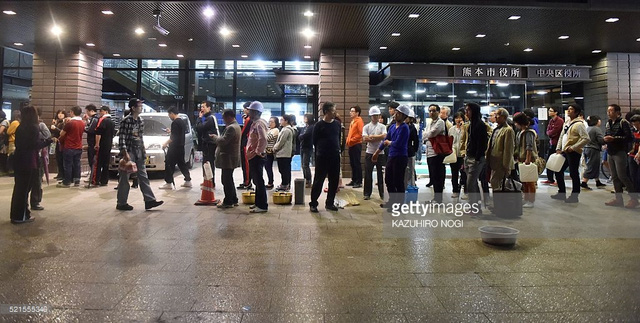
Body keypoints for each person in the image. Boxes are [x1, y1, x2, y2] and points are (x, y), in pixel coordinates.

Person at [116, 98, 163, 211]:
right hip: (129, 150)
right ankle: (121, 202)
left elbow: (140, 137)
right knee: (124, 177)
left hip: (138, 151)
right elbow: (121, 138)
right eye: (139, 106)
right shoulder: (126, 121)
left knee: (143, 175)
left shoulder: (140, 121)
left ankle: (149, 200)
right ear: (133, 108)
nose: (141, 107)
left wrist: (143, 150)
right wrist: (125, 153)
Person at [10, 106, 52, 224]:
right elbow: (34, 145)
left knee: (18, 188)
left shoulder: (20, 127)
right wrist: (48, 142)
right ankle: (21, 216)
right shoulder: (33, 128)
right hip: (29, 161)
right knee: (24, 190)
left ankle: (16, 215)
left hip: (18, 160)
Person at [373, 105, 410, 210]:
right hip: (391, 156)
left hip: (400, 157)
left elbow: (398, 143)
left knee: (398, 181)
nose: (395, 114)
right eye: (395, 112)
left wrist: (389, 142)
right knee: (388, 179)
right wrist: (377, 152)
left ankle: (399, 204)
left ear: (403, 116)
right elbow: (385, 141)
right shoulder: (393, 127)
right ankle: (392, 201)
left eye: (398, 113)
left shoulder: (404, 128)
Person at [551, 104, 589, 203]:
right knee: (558, 170)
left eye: (571, 109)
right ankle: (561, 192)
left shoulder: (579, 124)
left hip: (573, 152)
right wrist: (558, 147)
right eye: (568, 109)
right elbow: (561, 136)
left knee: (573, 173)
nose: (568, 111)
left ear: (576, 112)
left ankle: (574, 195)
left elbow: (586, 138)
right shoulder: (567, 122)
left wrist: (573, 147)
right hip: (564, 151)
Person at [604, 104, 638, 208]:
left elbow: (628, 137)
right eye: (608, 111)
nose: (609, 113)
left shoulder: (623, 123)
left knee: (622, 176)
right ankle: (618, 199)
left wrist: (614, 139)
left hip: (620, 152)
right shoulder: (608, 123)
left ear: (618, 112)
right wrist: (605, 141)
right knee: (614, 176)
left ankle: (634, 199)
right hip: (610, 151)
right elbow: (606, 134)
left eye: (611, 111)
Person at [310, 102, 342, 212]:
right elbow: (314, 141)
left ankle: (330, 203)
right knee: (319, 180)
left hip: (335, 156)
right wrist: (320, 150)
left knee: (334, 180)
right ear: (326, 112)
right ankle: (313, 203)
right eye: (333, 111)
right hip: (322, 156)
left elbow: (339, 138)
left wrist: (338, 150)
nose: (335, 113)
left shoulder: (337, 124)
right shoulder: (318, 125)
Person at [210, 109, 242, 208]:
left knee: (226, 180)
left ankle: (228, 201)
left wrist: (215, 137)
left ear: (229, 117)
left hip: (228, 157)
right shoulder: (236, 126)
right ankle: (233, 199)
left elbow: (223, 141)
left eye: (224, 117)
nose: (223, 120)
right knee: (229, 179)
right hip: (231, 157)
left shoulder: (231, 128)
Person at [159, 107, 192, 189]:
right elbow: (179, 133)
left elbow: (173, 137)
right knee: (182, 164)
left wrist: (165, 143)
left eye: (169, 114)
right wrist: (171, 131)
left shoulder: (175, 123)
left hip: (174, 148)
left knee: (169, 164)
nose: (169, 116)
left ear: (172, 113)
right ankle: (188, 180)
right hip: (181, 147)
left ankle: (168, 183)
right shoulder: (181, 121)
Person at [245, 101, 268, 213]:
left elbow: (263, 139)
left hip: (256, 157)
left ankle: (262, 205)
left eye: (250, 110)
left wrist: (258, 151)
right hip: (253, 156)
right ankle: (258, 203)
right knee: (256, 181)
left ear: (256, 112)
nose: (248, 112)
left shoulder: (259, 124)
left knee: (259, 181)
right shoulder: (254, 123)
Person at [487, 108, 515, 194]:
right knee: (495, 182)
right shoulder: (496, 128)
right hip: (493, 161)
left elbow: (508, 149)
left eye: (497, 115)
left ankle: (498, 204)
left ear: (503, 117)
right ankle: (497, 203)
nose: (495, 117)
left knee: (497, 182)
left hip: (501, 162)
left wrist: (506, 165)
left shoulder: (508, 130)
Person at [513, 113, 538, 208]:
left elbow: (529, 147)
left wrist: (528, 159)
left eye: (516, 122)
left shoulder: (529, 132)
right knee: (524, 180)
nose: (515, 124)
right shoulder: (521, 131)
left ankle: (531, 200)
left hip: (528, 159)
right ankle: (526, 198)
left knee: (530, 181)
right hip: (521, 158)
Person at [362, 107, 387, 200]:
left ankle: (382, 193)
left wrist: (372, 137)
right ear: (371, 116)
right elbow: (365, 138)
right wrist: (378, 138)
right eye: (374, 115)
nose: (375, 117)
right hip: (369, 152)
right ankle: (367, 193)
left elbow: (384, 136)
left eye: (377, 115)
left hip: (380, 153)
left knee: (381, 175)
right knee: (368, 174)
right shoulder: (366, 127)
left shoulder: (382, 126)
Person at [29, 108, 51, 211]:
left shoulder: (40, 125)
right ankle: (34, 202)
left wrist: (37, 136)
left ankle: (35, 201)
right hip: (33, 156)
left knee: (37, 180)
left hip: (39, 155)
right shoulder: (28, 126)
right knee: (34, 180)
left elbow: (48, 135)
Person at [57, 106, 84, 188]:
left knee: (67, 164)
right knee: (77, 164)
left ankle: (67, 181)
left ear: (72, 112)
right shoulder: (82, 123)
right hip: (78, 146)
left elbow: (62, 133)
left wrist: (64, 124)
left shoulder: (70, 123)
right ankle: (77, 181)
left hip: (69, 146)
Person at [424, 104, 446, 203]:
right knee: (433, 176)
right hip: (429, 152)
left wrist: (427, 135)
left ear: (438, 112)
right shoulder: (430, 123)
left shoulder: (440, 122)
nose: (431, 113)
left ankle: (438, 199)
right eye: (430, 111)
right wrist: (427, 135)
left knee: (438, 177)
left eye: (433, 111)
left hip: (437, 153)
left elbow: (431, 134)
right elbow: (425, 135)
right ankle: (435, 199)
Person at [196, 101, 220, 187]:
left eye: (204, 107)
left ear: (209, 108)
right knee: (206, 162)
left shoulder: (210, 118)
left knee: (209, 163)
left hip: (210, 144)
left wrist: (199, 118)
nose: (202, 109)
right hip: (207, 143)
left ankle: (210, 181)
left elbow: (200, 128)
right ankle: (207, 180)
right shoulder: (208, 118)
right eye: (201, 107)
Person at [581, 115, 606, 190]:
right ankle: (584, 182)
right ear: (597, 121)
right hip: (593, 149)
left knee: (594, 165)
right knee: (591, 166)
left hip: (586, 148)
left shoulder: (588, 128)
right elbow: (601, 140)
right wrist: (606, 141)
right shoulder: (596, 129)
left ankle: (597, 181)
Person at [92, 106, 115, 186]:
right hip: (108, 144)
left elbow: (98, 134)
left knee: (98, 163)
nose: (100, 113)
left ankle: (96, 180)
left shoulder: (102, 121)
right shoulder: (112, 122)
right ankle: (104, 181)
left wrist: (97, 144)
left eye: (101, 111)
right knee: (106, 163)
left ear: (105, 111)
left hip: (102, 144)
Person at [543, 106, 564, 185]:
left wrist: (550, 133)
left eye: (551, 111)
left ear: (556, 112)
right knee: (550, 161)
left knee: (557, 162)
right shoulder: (551, 121)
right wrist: (550, 133)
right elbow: (548, 131)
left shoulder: (560, 121)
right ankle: (550, 178)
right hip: (551, 143)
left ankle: (558, 180)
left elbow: (555, 131)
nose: (549, 112)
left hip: (557, 144)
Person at [273, 114, 295, 191]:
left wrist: (274, 148)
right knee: (285, 170)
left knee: (283, 170)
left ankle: (285, 184)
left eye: (282, 120)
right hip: (285, 153)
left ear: (286, 121)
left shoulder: (286, 130)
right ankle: (285, 184)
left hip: (283, 153)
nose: (280, 121)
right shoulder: (286, 129)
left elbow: (281, 141)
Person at [346, 105, 364, 188]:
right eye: (351, 111)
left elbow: (360, 134)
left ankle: (359, 181)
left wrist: (351, 140)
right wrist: (348, 141)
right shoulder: (353, 121)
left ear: (357, 113)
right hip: (351, 144)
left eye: (352, 111)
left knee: (356, 163)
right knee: (352, 163)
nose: (351, 112)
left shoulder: (359, 121)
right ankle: (354, 180)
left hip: (356, 144)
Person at [449, 111, 465, 198]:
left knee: (464, 174)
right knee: (454, 174)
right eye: (456, 118)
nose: (458, 120)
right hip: (453, 154)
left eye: (460, 117)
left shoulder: (465, 128)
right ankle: (455, 190)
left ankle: (465, 190)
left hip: (463, 155)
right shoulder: (451, 129)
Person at [238, 102, 253, 189]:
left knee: (246, 164)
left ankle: (247, 182)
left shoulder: (249, 119)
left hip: (246, 144)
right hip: (247, 143)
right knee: (245, 164)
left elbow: (243, 132)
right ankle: (246, 181)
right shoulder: (248, 119)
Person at [299, 114, 315, 188]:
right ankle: (305, 179)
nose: (304, 119)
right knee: (303, 165)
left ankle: (309, 180)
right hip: (302, 147)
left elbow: (305, 135)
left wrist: (302, 136)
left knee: (306, 164)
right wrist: (302, 136)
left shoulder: (311, 127)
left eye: (305, 118)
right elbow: (300, 135)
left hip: (307, 147)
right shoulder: (305, 127)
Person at [50, 109, 67, 180]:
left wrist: (55, 128)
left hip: (61, 142)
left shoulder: (65, 123)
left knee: (61, 158)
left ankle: (62, 174)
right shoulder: (57, 122)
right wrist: (53, 124)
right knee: (57, 158)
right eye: (59, 113)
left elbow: (63, 132)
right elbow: (51, 131)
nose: (60, 115)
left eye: (62, 114)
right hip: (55, 141)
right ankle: (59, 173)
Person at [84, 104, 99, 177]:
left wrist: (82, 127)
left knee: (92, 160)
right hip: (92, 142)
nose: (86, 113)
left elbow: (90, 129)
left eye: (87, 111)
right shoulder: (94, 119)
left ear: (92, 111)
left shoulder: (94, 119)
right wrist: (87, 120)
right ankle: (93, 176)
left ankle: (93, 176)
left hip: (92, 143)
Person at [265, 116, 280, 190]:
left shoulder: (275, 130)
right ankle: (269, 181)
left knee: (268, 167)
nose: (270, 123)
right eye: (269, 121)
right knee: (266, 167)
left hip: (269, 152)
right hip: (265, 151)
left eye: (272, 122)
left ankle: (270, 182)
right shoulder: (269, 129)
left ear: (276, 123)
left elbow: (267, 138)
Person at [405, 109, 419, 188]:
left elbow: (416, 141)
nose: (406, 119)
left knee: (411, 170)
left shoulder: (413, 128)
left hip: (410, 152)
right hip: (402, 152)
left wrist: (414, 150)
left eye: (408, 117)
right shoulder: (401, 126)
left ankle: (411, 185)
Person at [629, 115, 640, 199]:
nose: (635, 126)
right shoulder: (632, 131)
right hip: (632, 155)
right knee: (633, 175)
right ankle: (635, 194)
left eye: (637, 124)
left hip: (638, 155)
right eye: (634, 124)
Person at [6, 110, 21, 174]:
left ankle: (10, 170)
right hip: (17, 141)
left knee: (11, 156)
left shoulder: (14, 122)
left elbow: (8, 132)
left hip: (12, 141)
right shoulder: (19, 123)